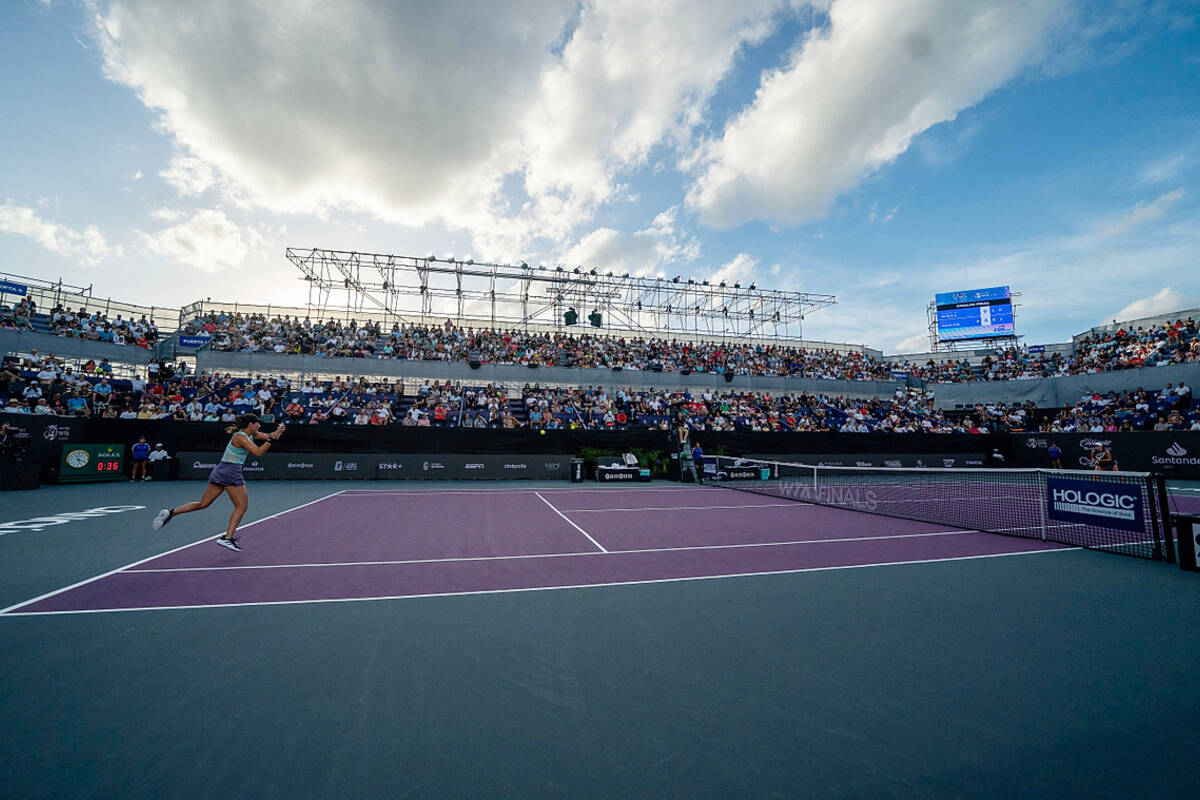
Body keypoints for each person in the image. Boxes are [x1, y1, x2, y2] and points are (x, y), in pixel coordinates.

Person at [152, 414, 285, 551]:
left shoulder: (252, 434)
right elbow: (258, 452)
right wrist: (271, 440)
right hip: (231, 472)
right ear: (250, 424)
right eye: (257, 423)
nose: (259, 425)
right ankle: (227, 538)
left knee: (203, 504)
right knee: (241, 507)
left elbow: (271, 436)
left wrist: (278, 432)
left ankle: (170, 513)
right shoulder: (240, 437)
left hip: (221, 470)